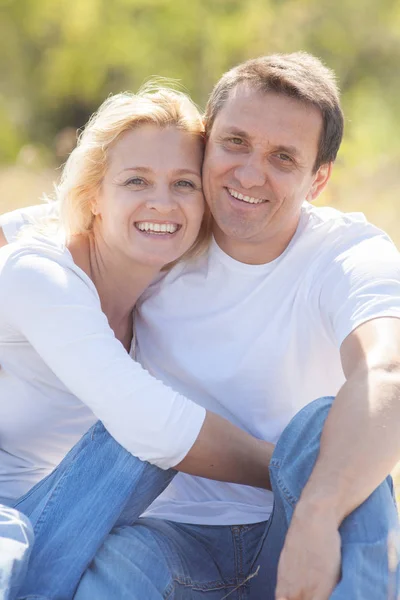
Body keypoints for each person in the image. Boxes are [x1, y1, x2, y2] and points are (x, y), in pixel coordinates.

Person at [1, 51, 400, 600]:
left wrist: (315, 503)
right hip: (168, 529)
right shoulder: (162, 225)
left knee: (330, 431)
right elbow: (46, 226)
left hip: (290, 520)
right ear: (207, 143)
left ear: (318, 179)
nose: (250, 173)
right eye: (235, 142)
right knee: (116, 558)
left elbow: (388, 371)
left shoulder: (342, 253)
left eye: (283, 157)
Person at [0, 85, 275, 600]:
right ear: (93, 196)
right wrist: (293, 469)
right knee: (141, 433)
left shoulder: (167, 280)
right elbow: (154, 428)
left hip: (72, 523)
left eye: (184, 184)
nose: (163, 203)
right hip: (9, 523)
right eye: (136, 180)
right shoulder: (40, 276)